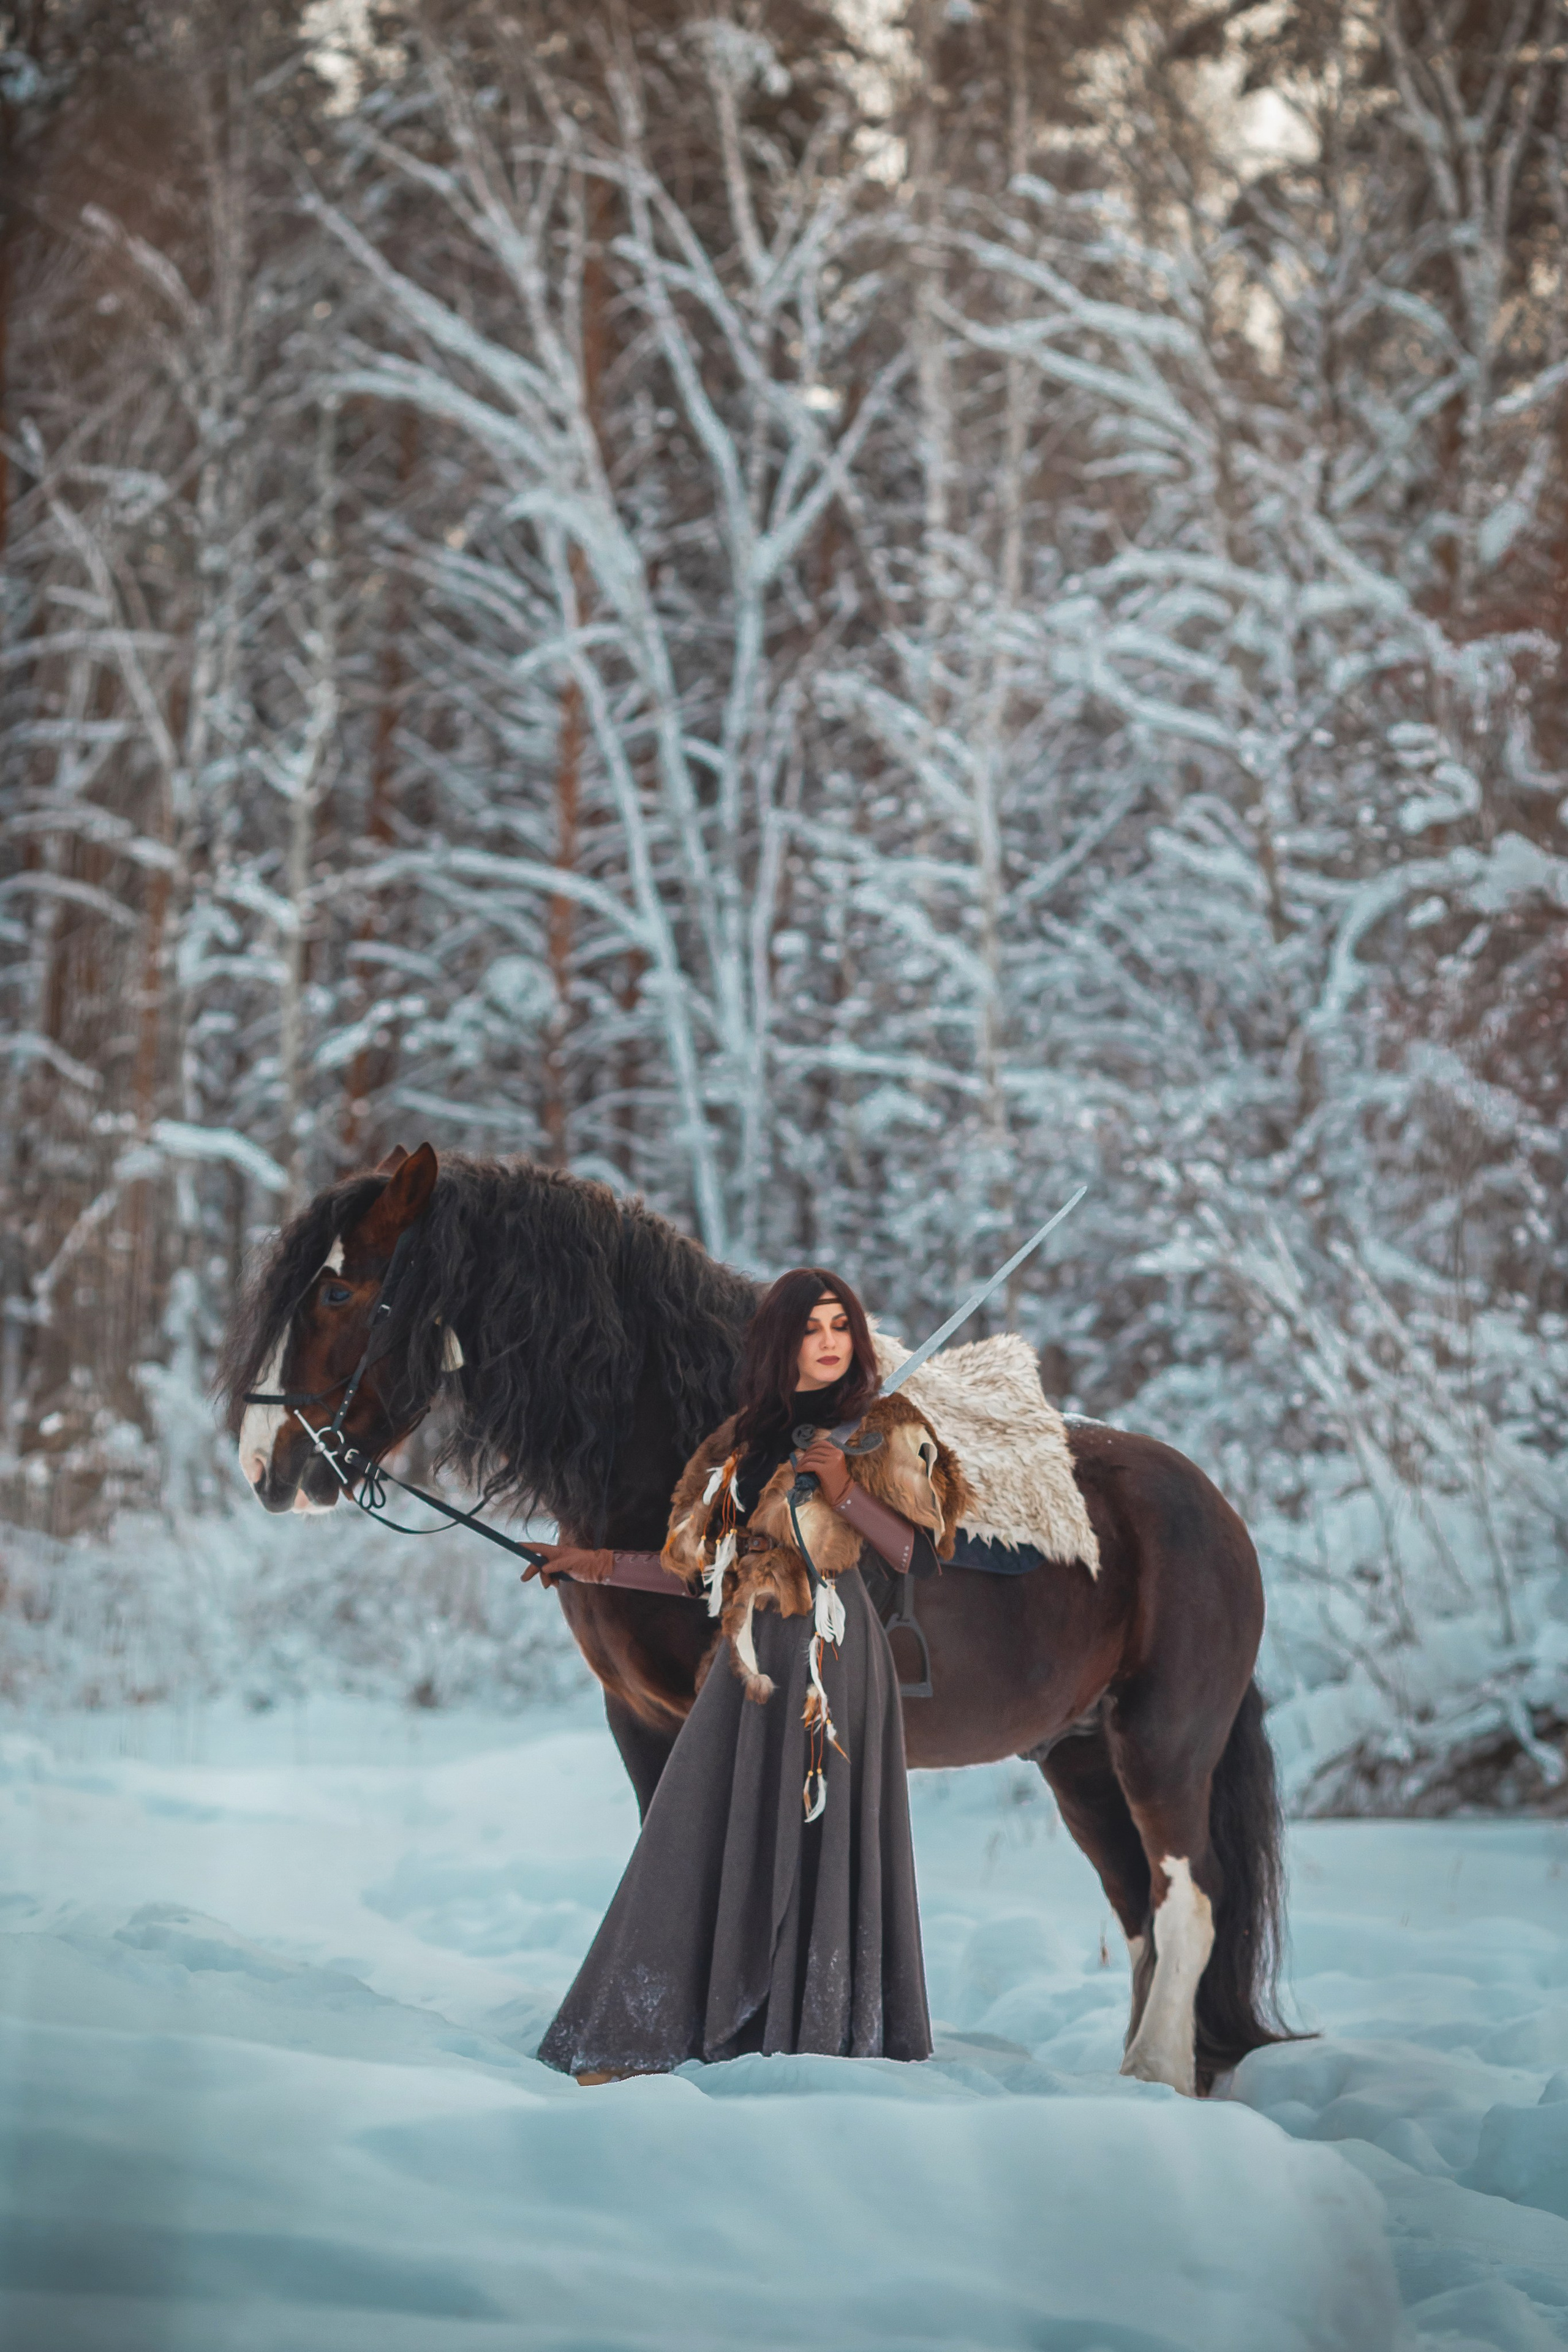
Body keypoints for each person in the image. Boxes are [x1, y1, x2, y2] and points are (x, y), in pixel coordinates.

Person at [533, 1268, 937, 2079]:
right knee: (691, 1828)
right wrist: (594, 1563)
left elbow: (914, 1554)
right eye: (810, 1328)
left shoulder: (880, 1429)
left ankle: (814, 2025)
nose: (828, 1343)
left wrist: (845, 1491)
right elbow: (697, 1569)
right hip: (750, 1657)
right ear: (776, 1344)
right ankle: (661, 2023)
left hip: (834, 1652)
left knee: (819, 1835)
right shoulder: (739, 1448)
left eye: (841, 1327)